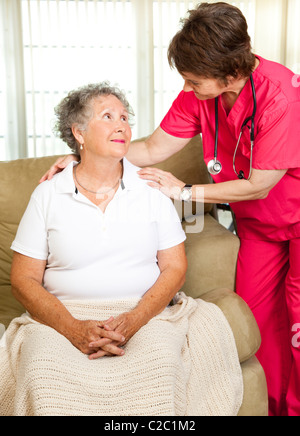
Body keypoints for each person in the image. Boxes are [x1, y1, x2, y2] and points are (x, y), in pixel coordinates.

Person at [42, 2, 300, 416]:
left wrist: (184, 191)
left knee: (298, 327)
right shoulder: (200, 92)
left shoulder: (282, 95)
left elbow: (260, 184)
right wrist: (82, 155)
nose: (187, 85)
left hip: (295, 216)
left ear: (232, 73)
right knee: (257, 325)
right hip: (259, 227)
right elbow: (152, 148)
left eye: (195, 79)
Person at [0, 82, 244, 417]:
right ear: (79, 133)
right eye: (108, 116)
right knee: (43, 377)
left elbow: (174, 267)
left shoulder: (152, 188)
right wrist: (72, 328)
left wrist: (134, 319)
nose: (122, 125)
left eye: (125, 118)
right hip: (62, 316)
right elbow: (24, 278)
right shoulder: (48, 194)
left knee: (161, 371)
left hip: (144, 313)